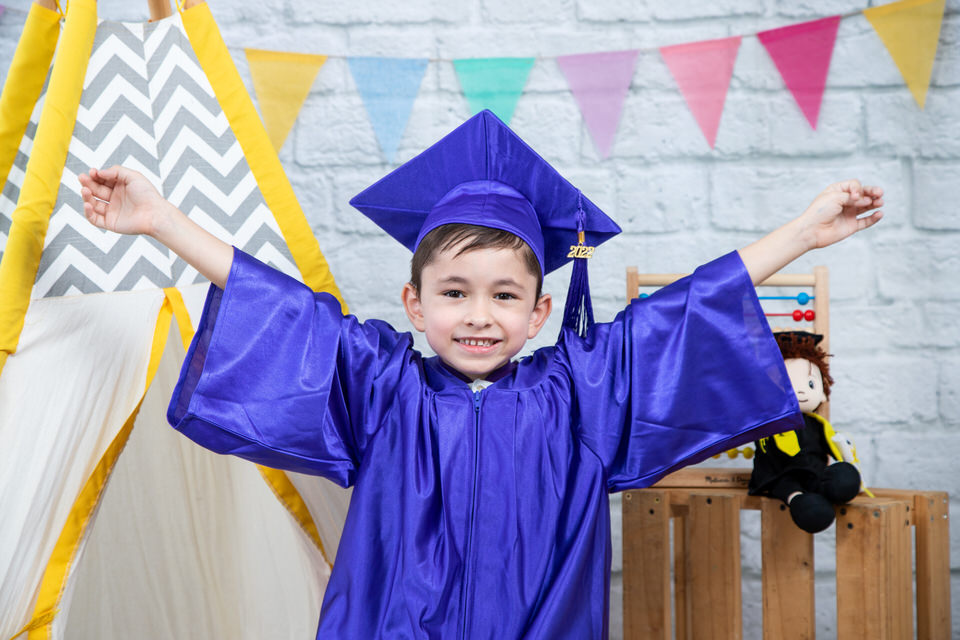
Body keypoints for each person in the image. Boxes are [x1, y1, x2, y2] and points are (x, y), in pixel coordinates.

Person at [78, 110, 883, 639]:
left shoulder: (579, 394)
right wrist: (160, 220)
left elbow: (682, 312)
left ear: (538, 313)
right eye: (453, 293)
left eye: (505, 296)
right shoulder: (382, 387)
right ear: (413, 303)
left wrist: (802, 234)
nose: (477, 315)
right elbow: (282, 308)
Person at [748, 331, 867, 533]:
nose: (801, 392)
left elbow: (834, 444)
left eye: (810, 385)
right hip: (783, 476)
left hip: (815, 472)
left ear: (822, 392)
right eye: (789, 386)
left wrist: (847, 461)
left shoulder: (819, 424)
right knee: (788, 487)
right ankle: (799, 501)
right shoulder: (771, 426)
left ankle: (832, 488)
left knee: (844, 478)